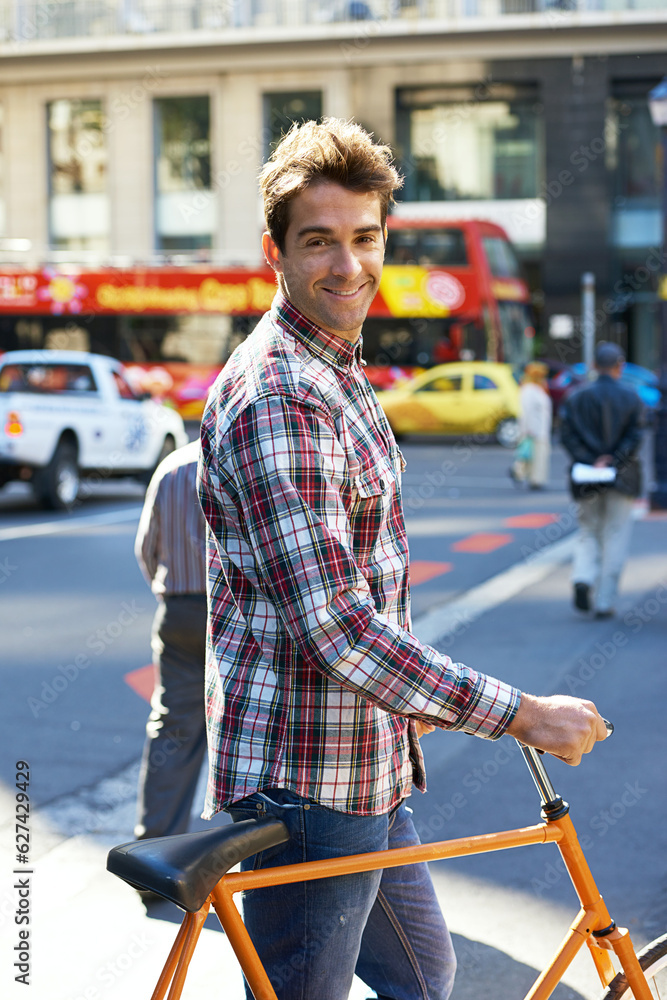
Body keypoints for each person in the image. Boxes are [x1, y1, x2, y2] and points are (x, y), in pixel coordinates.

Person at [197, 118, 608, 1000]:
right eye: (318, 242)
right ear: (275, 251)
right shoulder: (282, 397)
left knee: (427, 975)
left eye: (364, 238)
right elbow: (340, 632)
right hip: (305, 786)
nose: (348, 266)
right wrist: (520, 714)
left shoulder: (336, 369)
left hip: (363, 763)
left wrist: (413, 708)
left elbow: (364, 585)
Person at [134, 440, 208, 844]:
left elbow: (146, 548)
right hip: (235, 616)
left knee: (173, 730)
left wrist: (170, 593)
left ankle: (154, 850)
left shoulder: (172, 465)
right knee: (253, 732)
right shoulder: (250, 454)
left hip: (178, 610)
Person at [560, 341, 643, 619]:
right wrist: (613, 459)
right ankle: (605, 601)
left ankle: (582, 577)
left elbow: (567, 435)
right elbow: (635, 436)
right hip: (622, 477)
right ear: (619, 366)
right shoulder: (631, 397)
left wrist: (590, 459)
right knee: (615, 535)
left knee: (588, 531)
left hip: (586, 476)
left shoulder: (577, 396)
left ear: (594, 366)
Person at [510, 360, 553, 489]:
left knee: (537, 455)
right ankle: (535, 479)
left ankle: (521, 473)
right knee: (536, 455)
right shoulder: (528, 389)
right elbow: (525, 411)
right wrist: (526, 429)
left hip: (541, 428)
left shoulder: (539, 389)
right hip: (534, 429)